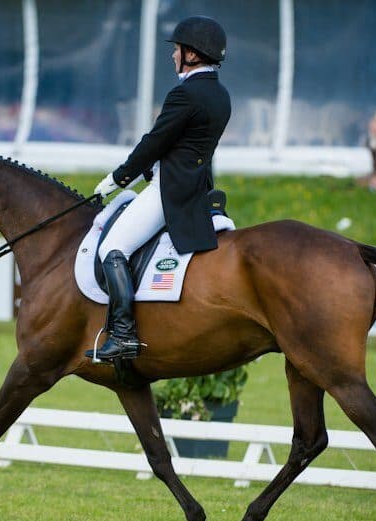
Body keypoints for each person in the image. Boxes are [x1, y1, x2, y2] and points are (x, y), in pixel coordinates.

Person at [84, 15, 230, 362]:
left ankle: (123, 334)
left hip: (170, 192)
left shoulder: (185, 94)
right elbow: (181, 146)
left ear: (192, 54)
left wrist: (117, 179)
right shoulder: (220, 94)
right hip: (197, 189)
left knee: (112, 247)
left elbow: (154, 142)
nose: (173, 55)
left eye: (178, 49)